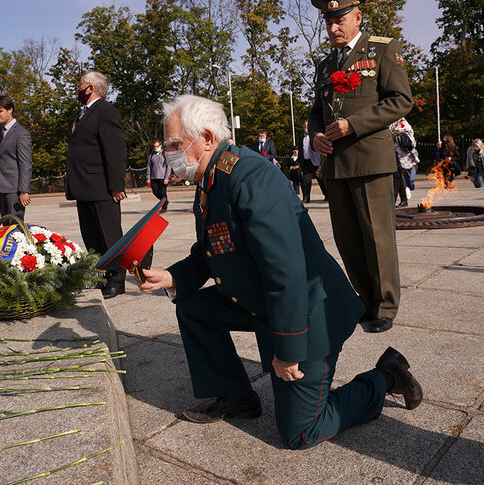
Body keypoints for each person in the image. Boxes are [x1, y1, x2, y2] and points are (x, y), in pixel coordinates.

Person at [137, 95, 422, 450]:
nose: (169, 155)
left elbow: (284, 270)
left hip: (307, 312)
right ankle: (235, 396)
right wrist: (173, 277)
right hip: (261, 301)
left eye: (175, 145)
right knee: (193, 307)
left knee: (301, 432)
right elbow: (212, 248)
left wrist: (287, 349)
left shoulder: (250, 176)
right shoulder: (211, 177)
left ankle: (385, 378)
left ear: (206, 138)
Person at [308, 0, 413, 333]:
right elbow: (315, 112)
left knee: (376, 235)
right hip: (335, 165)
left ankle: (385, 305)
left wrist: (353, 124)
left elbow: (400, 100)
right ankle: (365, 300)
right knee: (348, 238)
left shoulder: (382, 49)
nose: (333, 27)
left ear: (357, 16)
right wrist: (316, 135)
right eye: (328, 21)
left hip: (370, 160)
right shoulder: (325, 66)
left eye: (339, 20)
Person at [66, 71, 128, 299]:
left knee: (110, 235)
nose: (78, 88)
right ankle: (101, 276)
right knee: (92, 236)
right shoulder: (83, 113)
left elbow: (116, 150)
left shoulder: (106, 111)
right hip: (84, 186)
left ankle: (117, 280)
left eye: (80, 84)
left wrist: (116, 184)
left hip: (102, 187)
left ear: (91, 87)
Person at [0, 95, 32, 222]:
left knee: (15, 228)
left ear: (10, 110)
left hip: (15, 190)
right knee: (5, 227)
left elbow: (25, 164)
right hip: (2, 189)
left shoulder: (21, 134)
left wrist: (24, 191)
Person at [298, 121, 323, 203]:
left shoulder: (315, 136)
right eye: (305, 126)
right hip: (305, 162)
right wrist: (300, 162)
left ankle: (327, 195)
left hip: (315, 161)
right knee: (305, 181)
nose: (306, 128)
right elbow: (300, 150)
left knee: (320, 179)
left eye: (308, 126)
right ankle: (306, 197)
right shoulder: (301, 138)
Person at [146, 140, 171, 212]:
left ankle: (164, 207)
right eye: (154, 146)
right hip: (153, 177)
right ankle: (165, 201)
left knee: (163, 192)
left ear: (160, 146)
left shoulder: (165, 154)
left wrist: (166, 177)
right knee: (155, 192)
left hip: (162, 177)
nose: (156, 148)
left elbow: (168, 166)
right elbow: (149, 167)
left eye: (157, 146)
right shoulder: (151, 156)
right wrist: (148, 178)